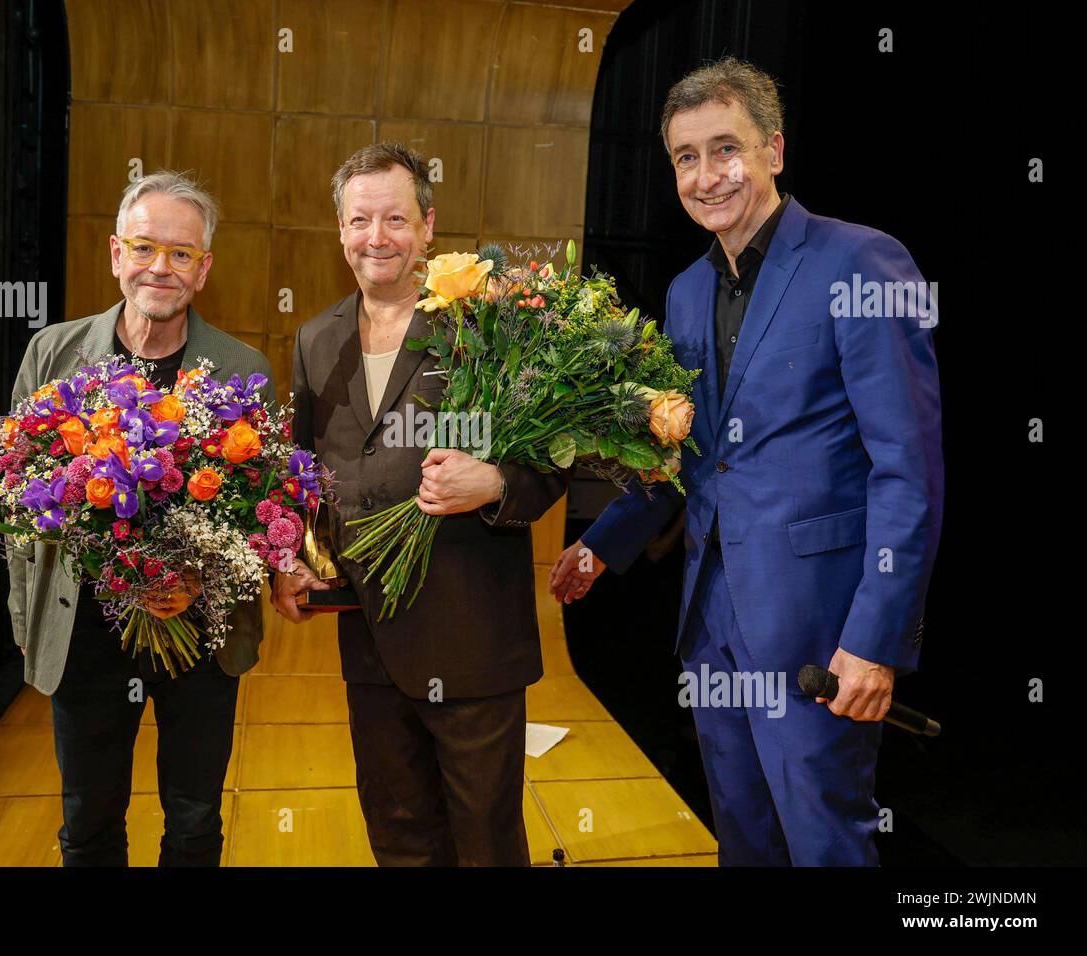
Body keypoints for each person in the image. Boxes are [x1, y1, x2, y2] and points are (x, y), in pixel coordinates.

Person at [550, 57, 943, 866]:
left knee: (824, 842)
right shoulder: (689, 291)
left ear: (774, 150)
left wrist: (875, 640)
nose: (706, 175)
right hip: (711, 622)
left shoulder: (862, 264)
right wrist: (605, 542)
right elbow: (694, 457)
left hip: (818, 629)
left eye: (724, 149)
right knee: (744, 841)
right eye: (686, 157)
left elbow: (908, 472)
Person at [274, 143, 568, 866]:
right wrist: (296, 558)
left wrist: (496, 483)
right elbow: (303, 476)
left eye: (396, 219)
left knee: (486, 843)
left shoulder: (487, 329)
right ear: (340, 231)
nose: (377, 237)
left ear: (429, 227)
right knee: (398, 833)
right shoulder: (316, 339)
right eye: (360, 220)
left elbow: (559, 457)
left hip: (472, 638)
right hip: (369, 639)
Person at [5, 170, 273, 866]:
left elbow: (259, 511)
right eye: (146, 246)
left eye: (182, 253)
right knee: (88, 825)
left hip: (198, 638)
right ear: (116, 254)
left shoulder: (243, 369)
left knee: (193, 823)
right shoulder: (52, 355)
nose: (162, 266)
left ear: (204, 269)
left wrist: (198, 580)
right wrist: (27, 619)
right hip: (85, 633)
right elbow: (16, 494)